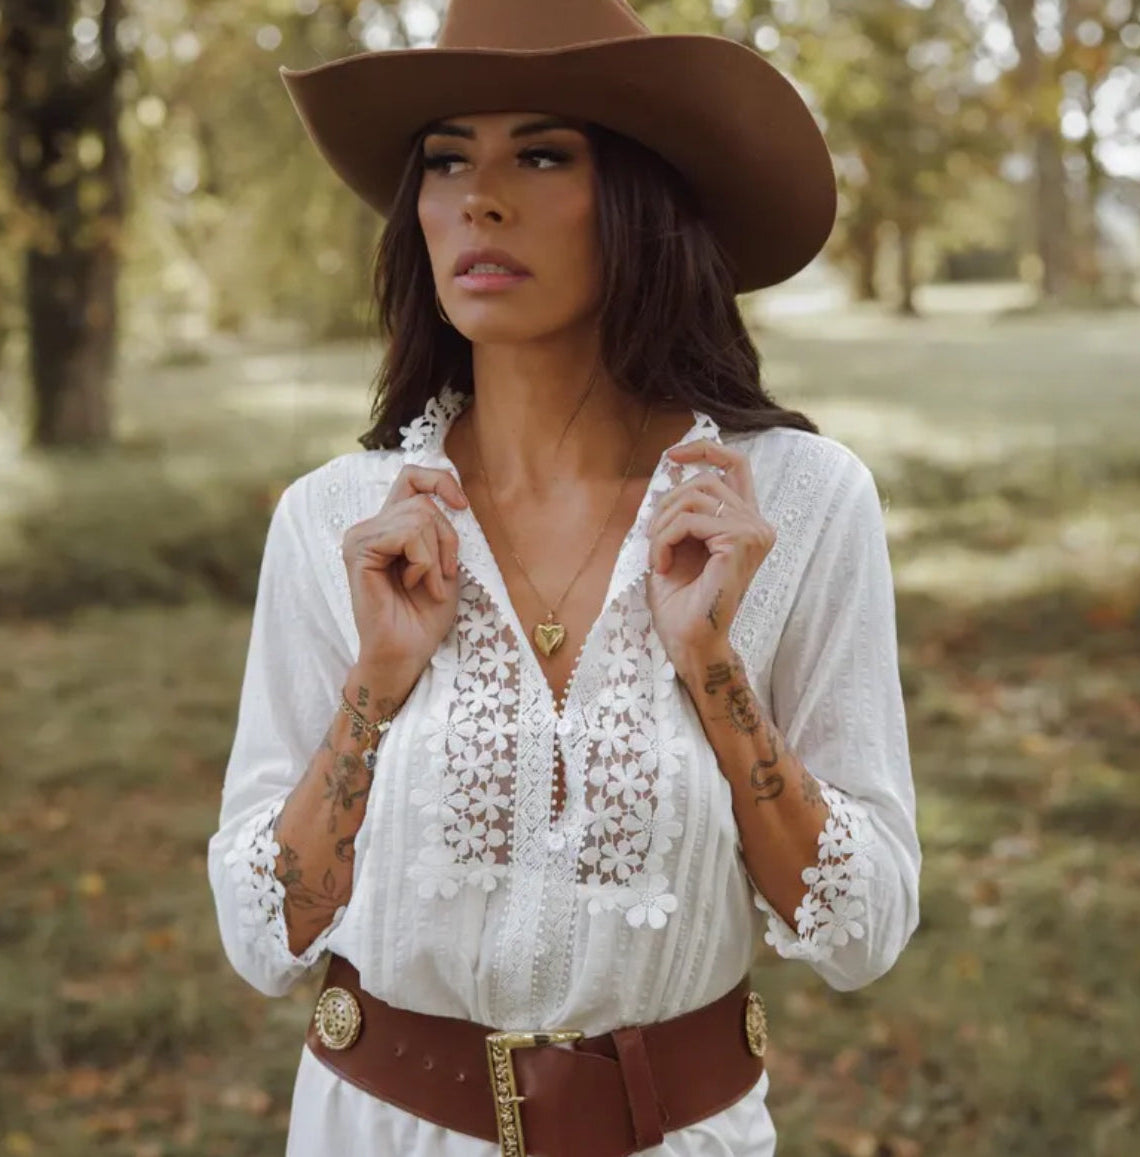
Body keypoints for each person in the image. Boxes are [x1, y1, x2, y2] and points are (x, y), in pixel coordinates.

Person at [206, 0, 922, 1153]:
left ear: (641, 200)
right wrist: (377, 683)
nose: (479, 197)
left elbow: (864, 925)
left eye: (541, 154)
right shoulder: (335, 521)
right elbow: (260, 929)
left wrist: (712, 667)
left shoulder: (791, 503)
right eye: (447, 160)